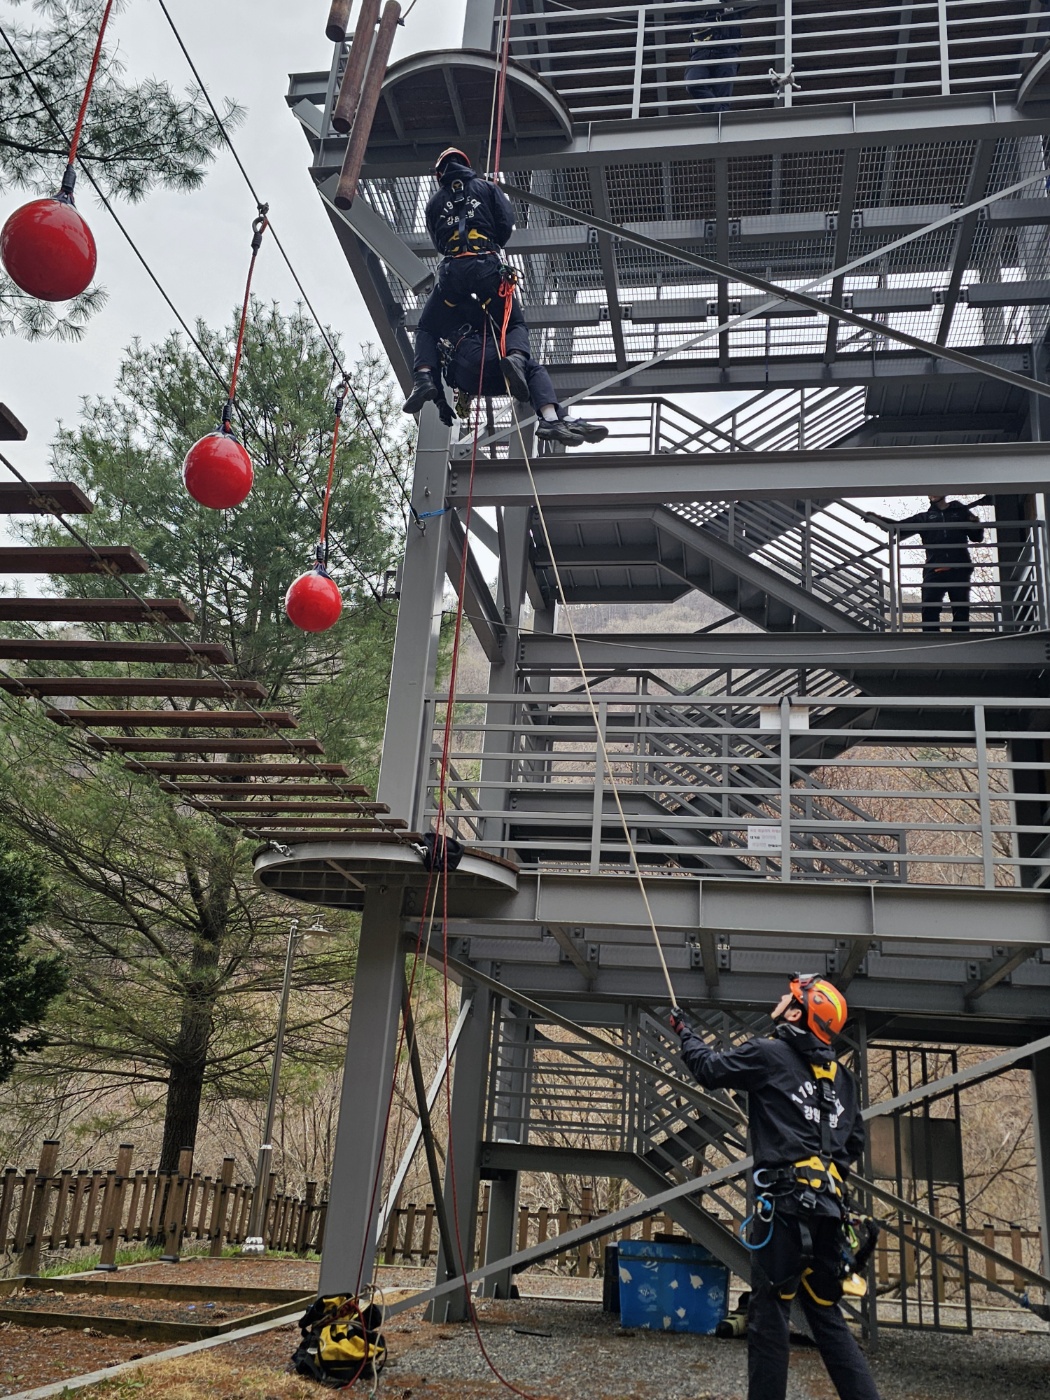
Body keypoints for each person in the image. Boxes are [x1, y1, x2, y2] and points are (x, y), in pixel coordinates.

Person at [670, 976, 882, 1400]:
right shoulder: (842, 1079)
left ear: (797, 1013)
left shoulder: (768, 1054)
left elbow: (709, 1069)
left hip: (785, 1210)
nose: (782, 998)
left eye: (790, 997)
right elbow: (853, 1141)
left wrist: (684, 1032)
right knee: (825, 1316)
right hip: (828, 1213)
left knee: (769, 1315)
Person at [403, 147, 532, 416]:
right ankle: (517, 359)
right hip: (486, 267)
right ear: (466, 165)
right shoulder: (487, 188)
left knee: (427, 326)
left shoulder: (434, 203)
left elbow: (439, 242)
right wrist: (490, 244)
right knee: (513, 323)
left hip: (453, 273)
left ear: (440, 173)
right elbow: (506, 222)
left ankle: (423, 377)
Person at [418, 314, 609, 447]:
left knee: (530, 381)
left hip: (473, 381)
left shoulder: (434, 323)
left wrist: (440, 402)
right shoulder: (466, 307)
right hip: (476, 356)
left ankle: (562, 419)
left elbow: (430, 363)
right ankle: (553, 420)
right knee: (531, 369)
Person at [867, 495, 990, 632]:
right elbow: (896, 527)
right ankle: (931, 638)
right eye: (929, 492)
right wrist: (876, 518)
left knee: (961, 610)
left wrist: (976, 525)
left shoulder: (960, 512)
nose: (932, 494)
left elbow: (976, 537)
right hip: (935, 569)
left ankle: (960, 638)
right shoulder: (924, 518)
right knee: (929, 608)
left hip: (959, 568)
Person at [685, 3, 753, 111]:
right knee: (693, 83)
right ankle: (720, 114)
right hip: (701, 50)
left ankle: (719, 116)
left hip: (727, 49)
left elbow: (749, 4)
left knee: (722, 98)